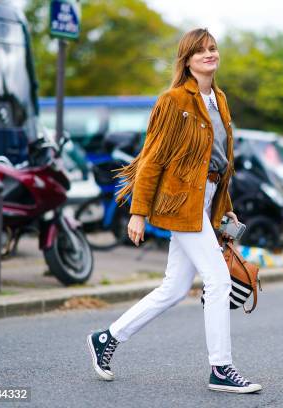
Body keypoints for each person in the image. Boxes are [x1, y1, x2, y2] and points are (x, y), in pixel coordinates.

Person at [86, 28, 262, 394]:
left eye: (212, 48)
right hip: (181, 200)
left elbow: (220, 162)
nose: (209, 55)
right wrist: (138, 212)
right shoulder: (173, 100)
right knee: (218, 279)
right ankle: (221, 368)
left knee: (174, 287)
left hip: (208, 197)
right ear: (187, 60)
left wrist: (225, 210)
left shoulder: (220, 99)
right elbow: (152, 158)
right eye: (200, 51)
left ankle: (107, 338)